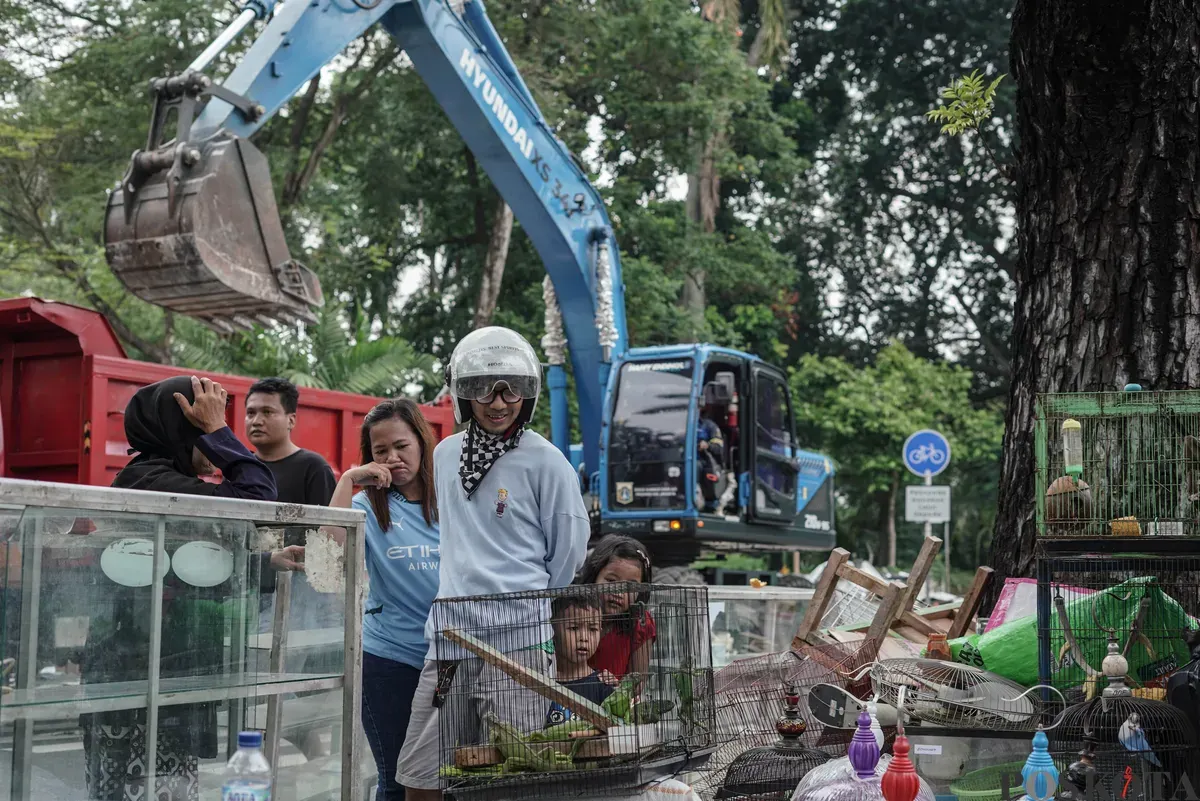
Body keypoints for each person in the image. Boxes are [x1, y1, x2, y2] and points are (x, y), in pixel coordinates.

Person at [83, 375, 303, 801]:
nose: (219, 437)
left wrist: (262, 565)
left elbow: (181, 570)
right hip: (136, 677)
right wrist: (216, 431)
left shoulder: (159, 479)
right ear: (184, 430)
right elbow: (259, 496)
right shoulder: (149, 481)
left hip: (161, 671)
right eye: (203, 425)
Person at [397, 326, 590, 801]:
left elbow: (568, 552)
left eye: (512, 389)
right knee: (421, 773)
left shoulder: (547, 463)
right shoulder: (443, 455)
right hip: (450, 636)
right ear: (463, 394)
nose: (498, 401)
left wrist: (523, 602)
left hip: (519, 640)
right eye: (483, 388)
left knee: (509, 775)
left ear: (529, 393)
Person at [328, 399, 440, 801]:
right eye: (380, 451)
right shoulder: (365, 507)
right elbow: (329, 554)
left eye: (401, 446)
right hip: (390, 661)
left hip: (451, 659)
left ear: (422, 444)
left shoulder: (452, 502)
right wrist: (348, 481)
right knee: (396, 778)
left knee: (451, 778)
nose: (392, 458)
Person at [246, 376, 339, 756]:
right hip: (254, 595)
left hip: (303, 603)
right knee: (263, 697)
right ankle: (309, 761)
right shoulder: (241, 469)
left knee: (276, 694)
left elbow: (331, 540)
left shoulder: (311, 467)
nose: (256, 420)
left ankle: (316, 768)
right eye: (251, 412)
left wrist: (330, 604)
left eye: (268, 411)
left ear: (291, 419)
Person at [578, 536, 656, 680]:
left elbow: (637, 683)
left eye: (631, 586)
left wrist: (617, 690)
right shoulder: (570, 615)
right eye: (611, 581)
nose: (619, 592)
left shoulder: (641, 624)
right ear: (593, 578)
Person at [545, 593, 613, 725]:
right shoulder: (541, 681)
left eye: (592, 629)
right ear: (551, 631)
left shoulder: (603, 684)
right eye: (574, 628)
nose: (584, 637)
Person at [696, 408, 724, 513]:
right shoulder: (680, 424)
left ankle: (707, 504)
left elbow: (718, 448)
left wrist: (707, 445)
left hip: (702, 462)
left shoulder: (709, 426)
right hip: (680, 460)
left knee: (695, 466)